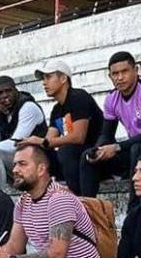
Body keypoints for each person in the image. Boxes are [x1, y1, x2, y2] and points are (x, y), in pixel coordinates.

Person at [79, 51, 141, 198]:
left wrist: (116, 147)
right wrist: (99, 149)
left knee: (136, 148)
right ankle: (88, 211)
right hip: (131, 149)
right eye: (115, 74)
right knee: (87, 157)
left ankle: (133, 210)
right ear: (110, 76)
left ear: (136, 70)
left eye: (124, 71)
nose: (120, 77)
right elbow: (107, 134)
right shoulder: (111, 98)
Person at [21, 60, 104, 195]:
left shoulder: (78, 97)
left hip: (95, 156)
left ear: (63, 78)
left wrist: (43, 141)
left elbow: (79, 137)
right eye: (43, 78)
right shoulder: (57, 109)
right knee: (37, 154)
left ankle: (80, 202)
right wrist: (34, 144)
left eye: (48, 77)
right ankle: (37, 199)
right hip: (73, 159)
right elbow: (49, 140)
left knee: (66, 151)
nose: (44, 82)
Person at [0, 76, 48, 188]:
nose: (4, 96)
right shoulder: (0, 112)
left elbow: (15, 144)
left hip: (37, 159)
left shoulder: (28, 107)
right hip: (17, 159)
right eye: (0, 93)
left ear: (16, 90)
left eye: (8, 91)